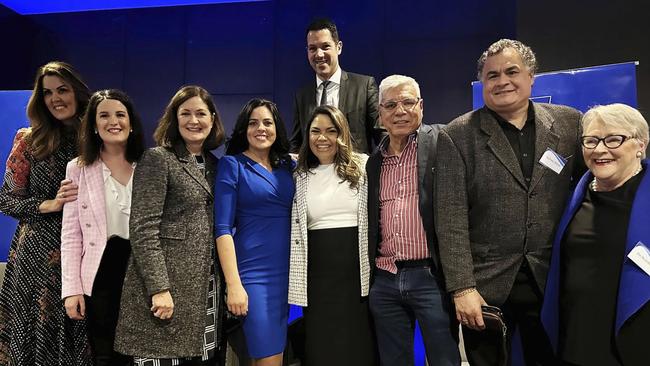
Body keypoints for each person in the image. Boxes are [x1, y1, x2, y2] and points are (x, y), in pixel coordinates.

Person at [435, 39, 584, 366]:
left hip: (551, 280)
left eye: (512, 71)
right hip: (487, 290)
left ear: (531, 77)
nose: (502, 81)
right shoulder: (457, 134)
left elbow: (597, 181)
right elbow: (449, 219)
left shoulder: (571, 123)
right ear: (482, 83)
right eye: (492, 75)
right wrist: (462, 289)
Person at [113, 85, 225, 366]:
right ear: (174, 120)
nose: (193, 120)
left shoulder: (216, 165)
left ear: (212, 118)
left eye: (201, 113)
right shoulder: (158, 159)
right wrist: (159, 289)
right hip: (165, 291)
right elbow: (143, 230)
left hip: (205, 288)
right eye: (185, 113)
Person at [541, 103, 650, 366]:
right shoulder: (573, 198)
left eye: (614, 139)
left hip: (635, 344)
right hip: (576, 341)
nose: (600, 150)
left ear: (640, 145)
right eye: (591, 141)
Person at [0, 61, 92, 366]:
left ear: (77, 92)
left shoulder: (96, 140)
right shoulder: (28, 140)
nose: (55, 98)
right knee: (34, 339)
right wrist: (48, 204)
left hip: (84, 253)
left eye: (62, 90)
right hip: (36, 257)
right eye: (47, 92)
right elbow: (6, 200)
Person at [366, 74, 460, 366]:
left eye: (408, 102)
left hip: (429, 276)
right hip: (385, 278)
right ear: (380, 113)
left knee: (444, 359)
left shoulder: (441, 142)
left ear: (421, 105)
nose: (400, 111)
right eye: (391, 105)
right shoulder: (374, 161)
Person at [61, 89, 145, 366]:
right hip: (100, 273)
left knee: (138, 352)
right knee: (104, 353)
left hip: (141, 269)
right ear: (94, 125)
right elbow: (71, 234)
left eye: (120, 114)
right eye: (104, 115)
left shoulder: (149, 165)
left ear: (131, 123)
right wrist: (71, 289)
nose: (114, 121)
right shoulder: (78, 168)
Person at [289, 105, 376, 366]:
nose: (322, 138)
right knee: (321, 347)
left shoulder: (364, 165)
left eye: (330, 131)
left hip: (357, 275)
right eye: (315, 131)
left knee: (359, 345)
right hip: (317, 279)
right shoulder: (299, 174)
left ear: (342, 133)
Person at [215, 98, 294, 366]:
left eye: (268, 122)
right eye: (253, 123)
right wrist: (234, 284)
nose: (261, 128)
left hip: (289, 274)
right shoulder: (232, 165)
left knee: (277, 354)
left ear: (277, 128)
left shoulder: (288, 167)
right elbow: (223, 229)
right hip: (254, 275)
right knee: (268, 356)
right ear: (243, 130)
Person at [291, 17, 382, 154]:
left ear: (338, 47)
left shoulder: (364, 86)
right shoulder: (302, 95)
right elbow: (297, 144)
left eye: (325, 46)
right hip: (316, 173)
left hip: (354, 172)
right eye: (312, 48)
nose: (319, 54)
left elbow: (382, 135)